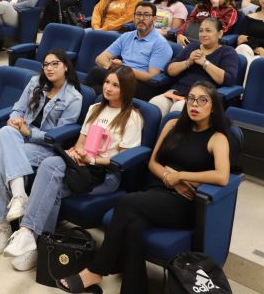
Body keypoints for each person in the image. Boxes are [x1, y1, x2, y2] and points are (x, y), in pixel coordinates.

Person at [59, 81, 232, 294]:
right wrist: (169, 177)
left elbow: (222, 176)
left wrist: (180, 176)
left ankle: (97, 269)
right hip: (158, 192)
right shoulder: (172, 125)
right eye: (191, 99)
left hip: (185, 203)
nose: (195, 104)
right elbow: (153, 163)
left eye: (203, 100)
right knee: (134, 227)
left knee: (126, 203)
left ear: (213, 107)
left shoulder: (217, 138)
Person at [1, 65, 143, 272]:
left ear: (126, 89)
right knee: (50, 172)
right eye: (107, 82)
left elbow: (122, 158)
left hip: (105, 174)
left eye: (115, 85)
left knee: (50, 183)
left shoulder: (132, 117)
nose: (108, 88)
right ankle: (36, 241)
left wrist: (92, 160)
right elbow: (80, 143)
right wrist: (76, 153)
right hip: (81, 166)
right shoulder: (95, 109)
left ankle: (31, 236)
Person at [0, 51, 83, 267]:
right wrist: (14, 121)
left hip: (46, 147)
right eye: (46, 64)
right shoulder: (35, 83)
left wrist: (29, 132)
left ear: (66, 66)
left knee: (2, 158)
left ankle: (3, 224)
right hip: (19, 138)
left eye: (55, 64)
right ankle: (19, 197)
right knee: (5, 132)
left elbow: (57, 136)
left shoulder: (74, 98)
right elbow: (17, 109)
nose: (49, 68)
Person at [150, 18, 239, 116]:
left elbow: (228, 79)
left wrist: (205, 63)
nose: (203, 34)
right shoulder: (192, 47)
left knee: (178, 108)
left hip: (202, 97)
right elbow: (169, 70)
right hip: (178, 91)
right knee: (155, 104)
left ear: (220, 34)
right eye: (201, 31)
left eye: (208, 31)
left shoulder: (228, 52)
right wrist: (188, 62)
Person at [84, 1, 172, 100]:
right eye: (138, 14)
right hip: (120, 75)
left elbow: (152, 76)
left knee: (97, 78)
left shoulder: (161, 44)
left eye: (146, 15)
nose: (141, 18)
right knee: (96, 78)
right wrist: (109, 66)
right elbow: (100, 58)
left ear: (154, 19)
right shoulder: (127, 36)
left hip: (140, 83)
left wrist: (123, 69)